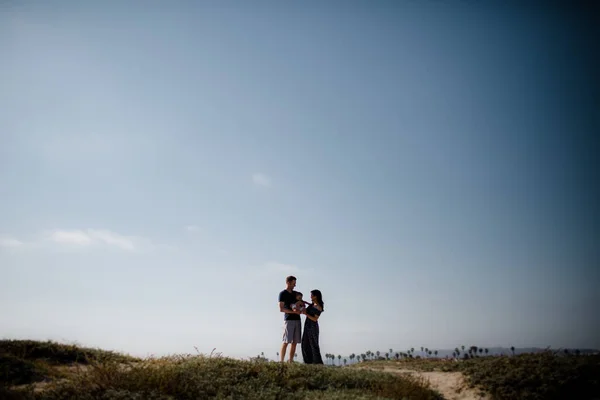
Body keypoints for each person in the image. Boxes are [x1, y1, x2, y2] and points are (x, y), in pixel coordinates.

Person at [278, 276, 301, 362]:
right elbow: (281, 309)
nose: (294, 285)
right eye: (293, 283)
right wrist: (294, 312)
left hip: (297, 320)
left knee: (294, 342)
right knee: (286, 341)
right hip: (289, 320)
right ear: (288, 282)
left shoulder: (296, 294)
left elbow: (300, 303)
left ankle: (290, 361)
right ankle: (281, 361)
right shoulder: (282, 294)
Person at [301, 289, 325, 364]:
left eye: (312, 295)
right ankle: (308, 362)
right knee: (304, 344)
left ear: (315, 296)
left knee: (313, 345)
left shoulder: (319, 307)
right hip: (307, 326)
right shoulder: (312, 305)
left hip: (312, 327)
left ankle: (317, 363)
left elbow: (315, 319)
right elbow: (310, 306)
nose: (310, 296)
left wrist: (306, 314)